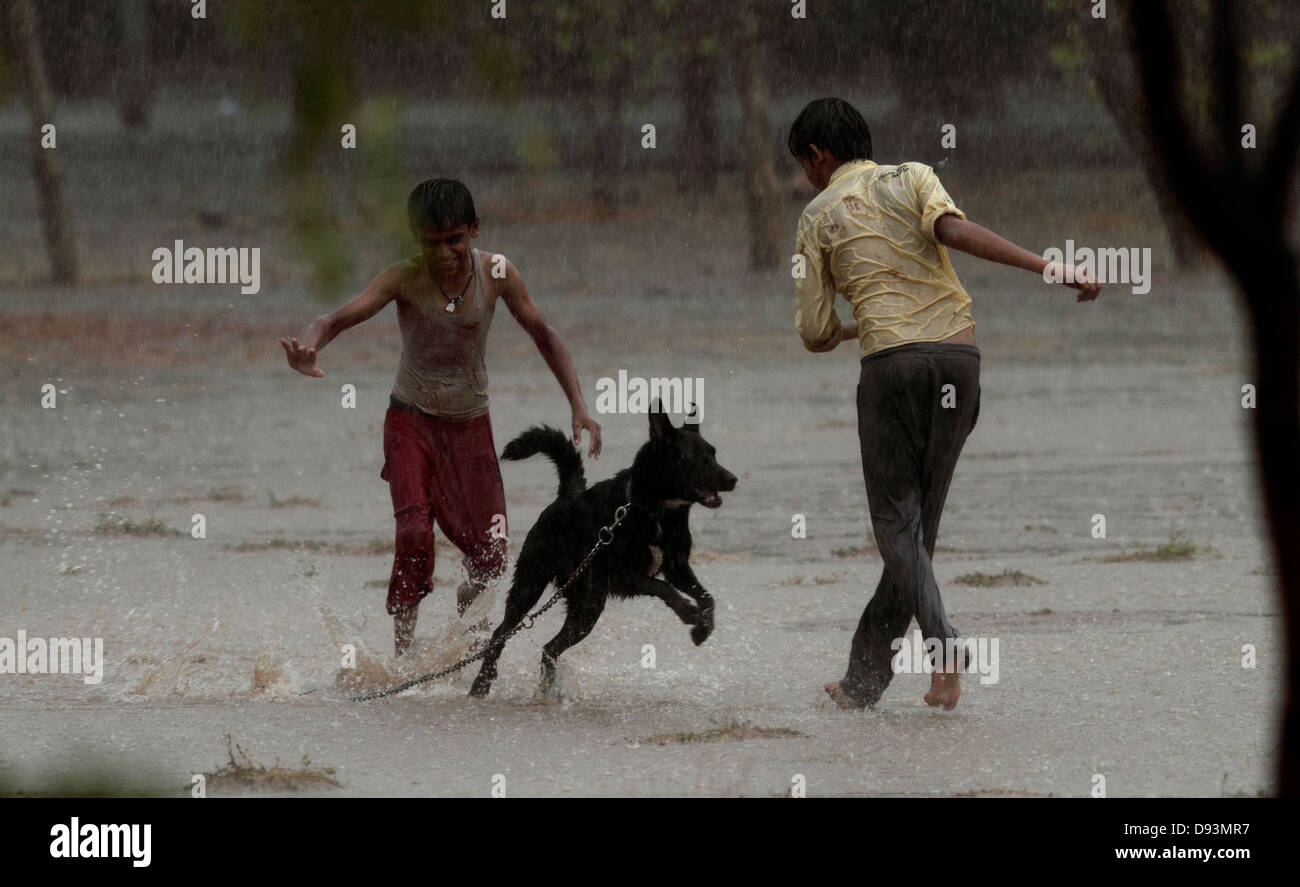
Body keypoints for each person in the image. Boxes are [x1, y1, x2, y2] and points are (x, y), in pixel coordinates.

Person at [788, 98, 1100, 710]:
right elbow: (953, 232)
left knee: (898, 529)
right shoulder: (913, 176)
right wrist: (1048, 267)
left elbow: (815, 333)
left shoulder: (814, 218)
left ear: (817, 156)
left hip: (892, 372)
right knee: (916, 534)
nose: (806, 176)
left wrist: (866, 322)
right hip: (960, 362)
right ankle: (863, 682)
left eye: (804, 164)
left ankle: (946, 648)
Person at [281, 178, 602, 656]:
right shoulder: (403, 277)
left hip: (471, 426)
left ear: (473, 229)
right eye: (430, 243)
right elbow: (334, 318)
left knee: (492, 557)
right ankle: (404, 658)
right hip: (410, 422)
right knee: (413, 534)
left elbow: (543, 331)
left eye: (454, 240)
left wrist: (577, 402)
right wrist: (308, 348)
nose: (444, 253)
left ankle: (467, 645)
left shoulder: (497, 272)